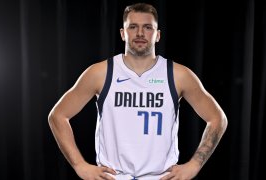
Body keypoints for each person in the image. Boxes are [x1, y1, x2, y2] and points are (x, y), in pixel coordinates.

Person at [48, 2, 227, 180]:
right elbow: (58, 115)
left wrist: (195, 165)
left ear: (157, 35)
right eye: (133, 27)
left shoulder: (177, 75)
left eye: (148, 27)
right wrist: (80, 166)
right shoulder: (101, 73)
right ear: (122, 33)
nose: (140, 33)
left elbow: (217, 118)